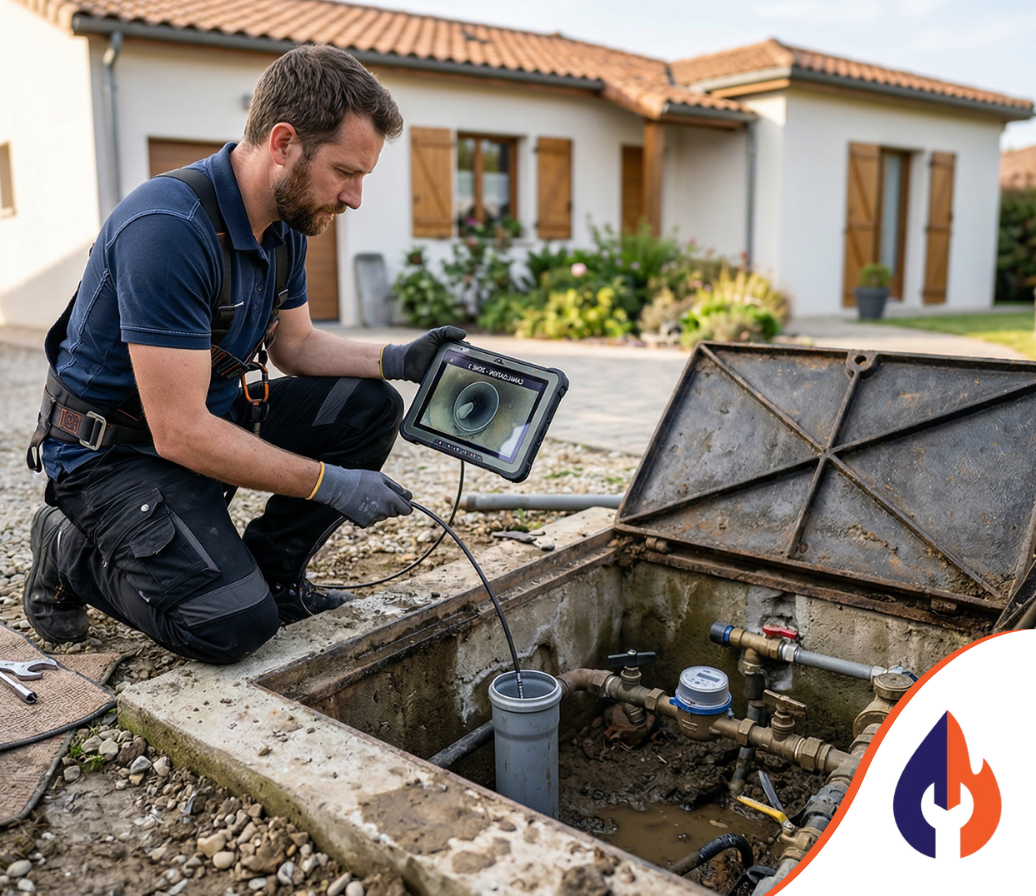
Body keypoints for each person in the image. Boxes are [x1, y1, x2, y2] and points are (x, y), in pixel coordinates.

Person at [22, 45, 464, 664]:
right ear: (283, 143)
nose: (355, 197)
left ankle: (275, 578)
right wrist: (330, 483)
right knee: (231, 628)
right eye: (345, 172)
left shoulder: (285, 224)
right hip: (113, 456)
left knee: (367, 406)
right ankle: (67, 547)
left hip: (203, 423)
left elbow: (297, 346)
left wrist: (400, 359)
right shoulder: (168, 229)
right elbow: (179, 432)